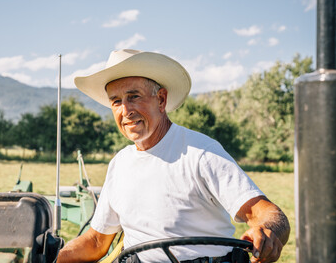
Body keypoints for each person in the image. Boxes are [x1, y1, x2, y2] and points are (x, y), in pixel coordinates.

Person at [58, 49, 290, 263]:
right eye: (116, 101)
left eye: (134, 96)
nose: (125, 110)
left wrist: (267, 230)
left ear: (161, 99)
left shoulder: (201, 152)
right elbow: (97, 242)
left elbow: (268, 214)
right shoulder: (120, 164)